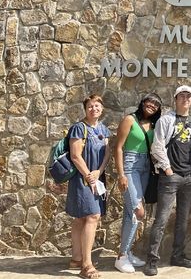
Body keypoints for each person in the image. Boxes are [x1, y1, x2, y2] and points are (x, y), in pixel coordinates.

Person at [144, 85, 191, 276]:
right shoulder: (166, 120)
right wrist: (168, 169)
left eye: (189, 96)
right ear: (175, 99)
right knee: (161, 219)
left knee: (183, 219)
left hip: (189, 176)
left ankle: (177, 255)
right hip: (170, 177)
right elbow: (157, 146)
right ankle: (152, 260)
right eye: (182, 96)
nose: (185, 99)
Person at [113, 93, 162, 273]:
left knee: (129, 213)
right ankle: (121, 258)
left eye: (156, 104)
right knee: (137, 211)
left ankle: (126, 252)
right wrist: (121, 174)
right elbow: (118, 147)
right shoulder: (129, 119)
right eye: (149, 102)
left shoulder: (154, 124)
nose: (152, 106)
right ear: (142, 102)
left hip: (145, 167)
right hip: (130, 165)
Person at [67, 94, 111, 279]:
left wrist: (98, 173)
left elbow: (107, 154)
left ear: (102, 109)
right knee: (91, 216)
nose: (94, 109)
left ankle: (76, 258)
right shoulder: (79, 128)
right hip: (82, 179)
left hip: (96, 177)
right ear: (85, 109)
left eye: (97, 106)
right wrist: (89, 176)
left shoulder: (103, 129)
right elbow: (75, 155)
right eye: (90, 106)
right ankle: (87, 265)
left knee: (81, 219)